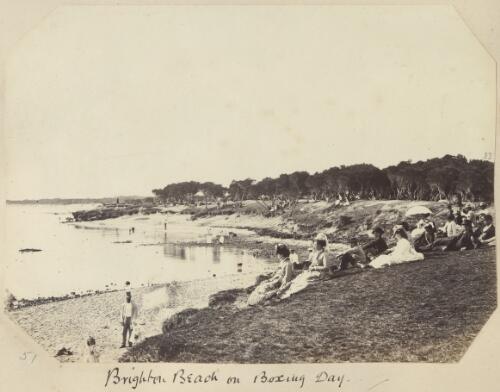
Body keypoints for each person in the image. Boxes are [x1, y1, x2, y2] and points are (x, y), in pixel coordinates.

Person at [279, 234, 331, 299]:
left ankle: (287, 293)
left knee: (302, 281)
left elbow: (326, 267)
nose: (314, 245)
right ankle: (283, 290)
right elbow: (313, 263)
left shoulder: (324, 254)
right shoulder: (316, 253)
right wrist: (310, 267)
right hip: (313, 271)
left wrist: (314, 268)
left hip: (320, 273)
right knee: (298, 278)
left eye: (315, 244)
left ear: (320, 245)